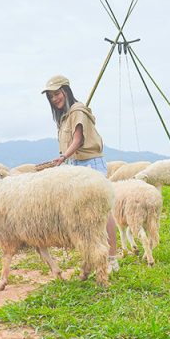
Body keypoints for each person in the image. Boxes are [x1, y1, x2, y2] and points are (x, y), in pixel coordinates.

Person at [41, 74, 119, 272]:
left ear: (66, 91)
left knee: (102, 211)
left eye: (57, 94)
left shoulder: (77, 110)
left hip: (91, 164)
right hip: (76, 164)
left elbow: (78, 139)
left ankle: (112, 258)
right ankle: (93, 255)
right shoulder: (65, 116)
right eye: (51, 96)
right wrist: (65, 159)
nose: (54, 99)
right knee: (84, 213)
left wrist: (62, 157)